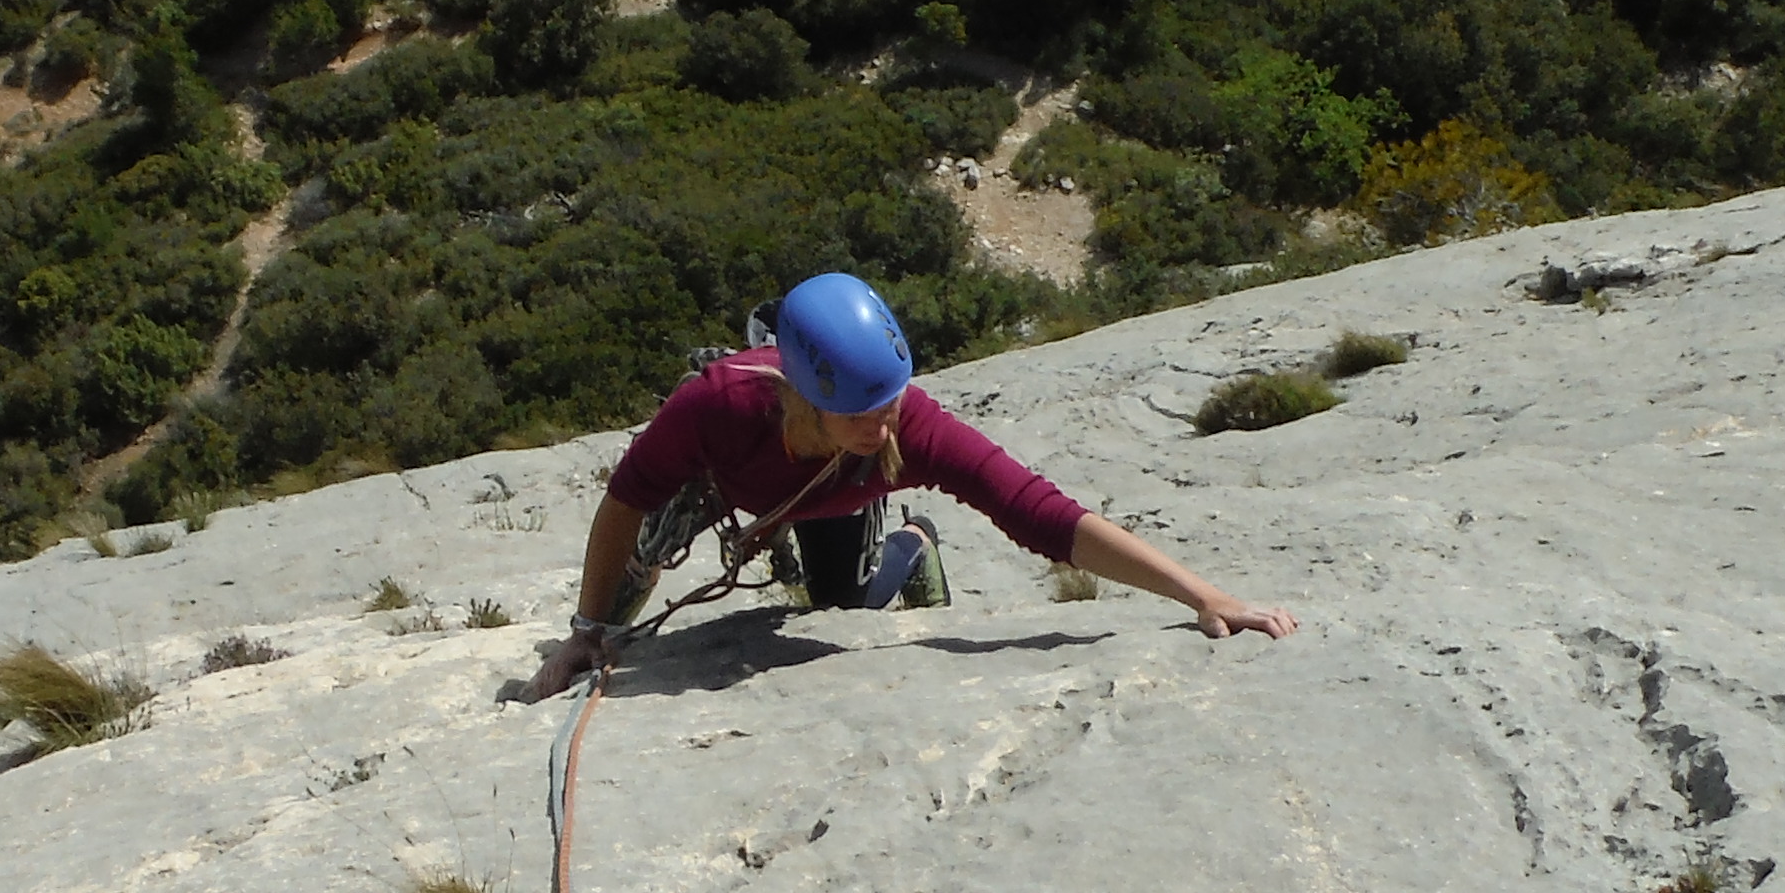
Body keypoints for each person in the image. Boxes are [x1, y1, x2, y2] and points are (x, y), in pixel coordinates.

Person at [527, 272, 1299, 697]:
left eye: (891, 401)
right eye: (860, 412)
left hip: (828, 498)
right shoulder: (717, 405)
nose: (884, 427)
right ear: (802, 395)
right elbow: (625, 499)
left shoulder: (907, 426)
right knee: (639, 567)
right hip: (723, 483)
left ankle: (912, 544)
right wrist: (588, 630)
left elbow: (1041, 514)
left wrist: (1202, 594)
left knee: (839, 607)